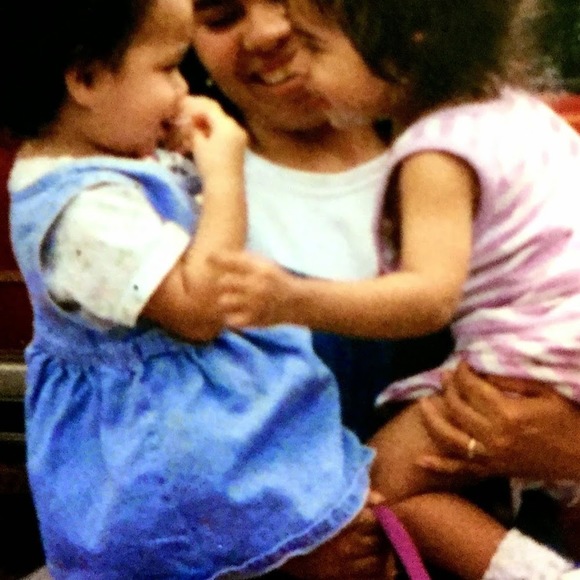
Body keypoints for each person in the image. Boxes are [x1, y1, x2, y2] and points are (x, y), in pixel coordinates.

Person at [0, 0, 389, 576]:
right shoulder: (80, 210)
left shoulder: (115, 166)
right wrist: (225, 171)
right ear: (85, 80)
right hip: (171, 465)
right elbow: (201, 308)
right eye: (167, 68)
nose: (183, 90)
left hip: (204, 437)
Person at [209, 0, 580, 577]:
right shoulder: (521, 113)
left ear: (409, 44)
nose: (298, 60)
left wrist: (291, 299)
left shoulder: (435, 155)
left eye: (316, 46)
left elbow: (428, 298)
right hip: (559, 349)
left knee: (372, 486)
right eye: (220, 16)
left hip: (522, 366)